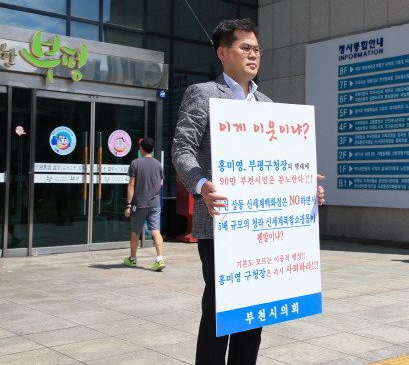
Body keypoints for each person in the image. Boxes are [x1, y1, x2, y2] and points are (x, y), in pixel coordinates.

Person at [172, 18, 325, 365]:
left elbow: (277, 163)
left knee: (255, 311)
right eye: (245, 48)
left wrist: (304, 188)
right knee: (219, 312)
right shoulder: (203, 93)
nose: (254, 54)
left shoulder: (266, 103)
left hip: (262, 226)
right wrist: (201, 186)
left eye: (257, 49)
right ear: (222, 52)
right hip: (221, 222)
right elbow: (182, 148)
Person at [123, 137, 165, 271]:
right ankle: (159, 259)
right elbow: (159, 183)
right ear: (152, 149)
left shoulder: (135, 163)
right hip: (155, 203)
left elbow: (131, 185)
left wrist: (128, 205)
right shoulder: (158, 164)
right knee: (156, 231)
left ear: (141, 148)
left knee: (135, 232)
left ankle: (132, 259)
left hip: (139, 204)